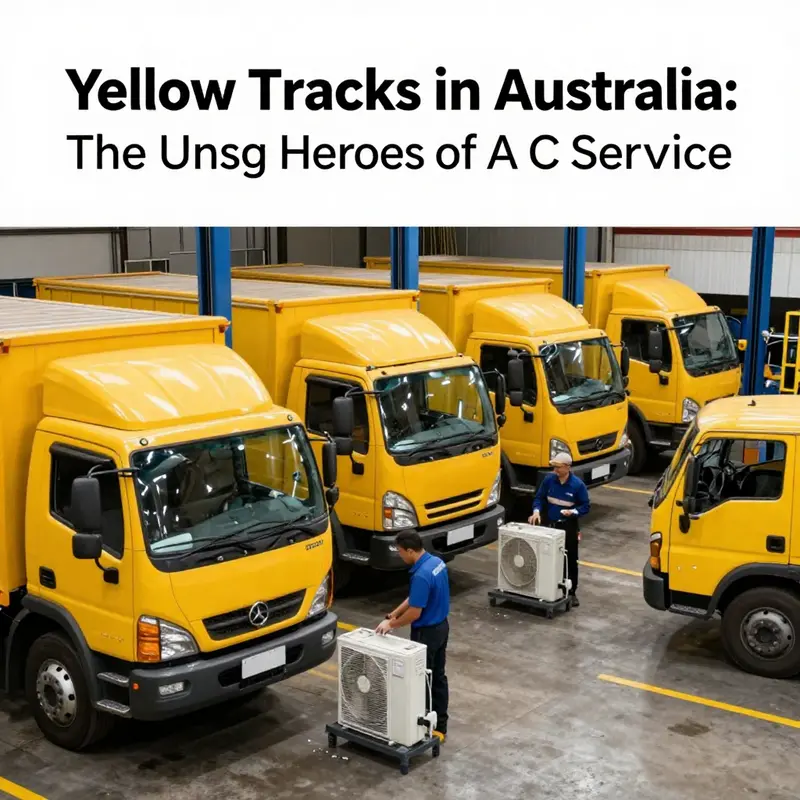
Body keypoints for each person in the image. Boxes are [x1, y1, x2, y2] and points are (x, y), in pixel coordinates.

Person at [376, 530, 449, 743]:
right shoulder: (436, 563)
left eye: (400, 552)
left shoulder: (421, 575)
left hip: (426, 633)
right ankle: (440, 724)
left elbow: (416, 612)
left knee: (423, 681)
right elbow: (414, 599)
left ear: (410, 550)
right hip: (442, 627)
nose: (400, 556)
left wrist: (391, 625)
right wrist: (394, 614)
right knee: (438, 676)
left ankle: (426, 726)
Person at [529, 452, 590, 606]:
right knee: (547, 556)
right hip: (551, 524)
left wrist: (573, 512)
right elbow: (539, 498)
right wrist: (536, 511)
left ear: (568, 467)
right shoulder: (549, 481)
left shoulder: (577, 485)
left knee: (570, 559)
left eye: (558, 467)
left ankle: (571, 592)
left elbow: (585, 506)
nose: (555, 470)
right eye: (554, 467)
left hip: (568, 526)